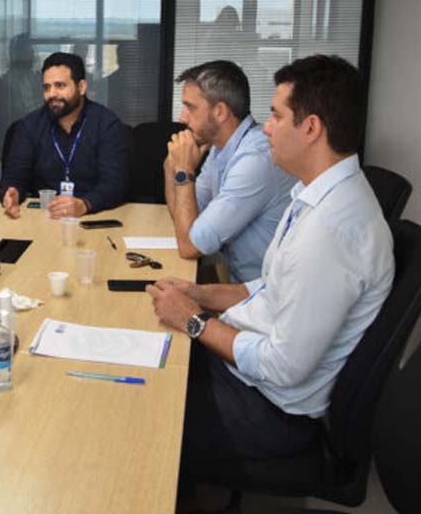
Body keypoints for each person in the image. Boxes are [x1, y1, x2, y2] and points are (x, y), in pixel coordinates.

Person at [147, 55, 394, 473]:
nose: (265, 127)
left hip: (269, 411)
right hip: (249, 373)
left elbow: (283, 367)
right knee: (151, 357)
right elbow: (268, 286)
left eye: (277, 116)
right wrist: (198, 294)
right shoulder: (315, 194)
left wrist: (194, 320)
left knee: (143, 410)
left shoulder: (332, 231)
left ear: (311, 128)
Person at [165, 60, 295, 282]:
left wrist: (184, 171)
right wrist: (172, 167)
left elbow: (190, 246)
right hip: (231, 280)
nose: (182, 118)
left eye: (190, 107)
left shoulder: (255, 161)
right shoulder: (220, 148)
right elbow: (183, 218)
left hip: (259, 295)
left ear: (220, 111)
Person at [0, 52, 130, 218]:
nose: (52, 94)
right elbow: (14, 175)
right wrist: (13, 192)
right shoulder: (29, 126)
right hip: (44, 216)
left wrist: (85, 204)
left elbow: (115, 183)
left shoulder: (106, 124)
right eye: (47, 87)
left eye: (60, 85)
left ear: (81, 87)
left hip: (93, 216)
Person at [0, 33, 43, 167]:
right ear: (14, 54)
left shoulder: (38, 79)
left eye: (30, 51)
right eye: (26, 51)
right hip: (16, 138)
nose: (30, 55)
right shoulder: (3, 84)